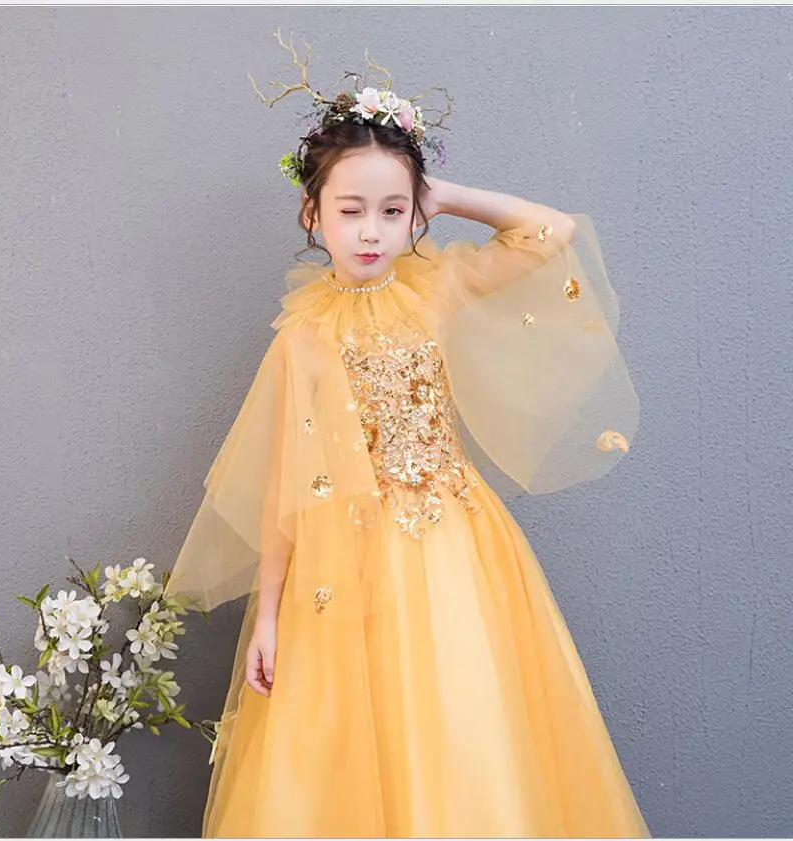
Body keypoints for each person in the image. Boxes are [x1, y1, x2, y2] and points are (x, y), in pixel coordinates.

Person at [165, 31, 650, 839]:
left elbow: (550, 233)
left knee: (463, 725)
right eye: (350, 210)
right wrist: (270, 612)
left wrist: (443, 193)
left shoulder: (437, 286)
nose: (371, 231)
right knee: (348, 749)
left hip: (451, 547)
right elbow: (288, 474)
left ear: (414, 212)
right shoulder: (302, 336)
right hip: (339, 563)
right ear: (312, 214)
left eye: (393, 211)